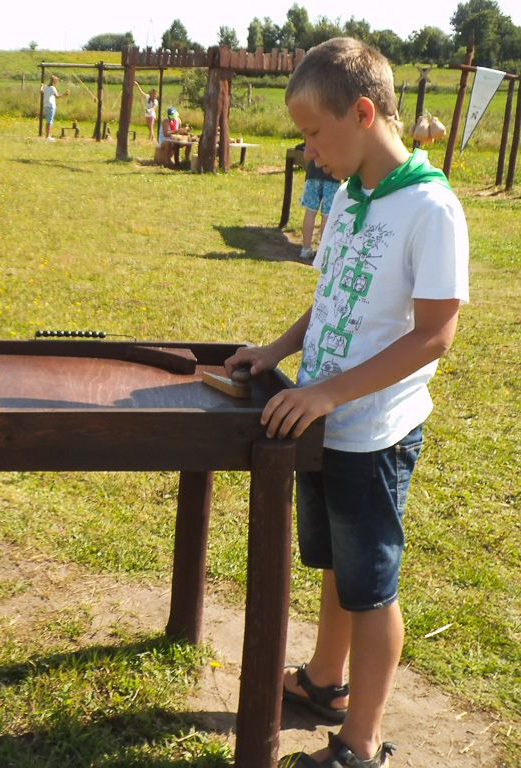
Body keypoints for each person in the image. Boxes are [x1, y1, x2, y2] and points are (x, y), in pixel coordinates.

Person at [224, 38, 468, 768]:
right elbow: (330, 296)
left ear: (363, 113)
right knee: (335, 568)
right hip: (322, 422)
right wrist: (277, 351)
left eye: (312, 134)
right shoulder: (350, 197)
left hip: (372, 435)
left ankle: (361, 743)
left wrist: (328, 390)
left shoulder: (431, 208)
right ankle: (325, 682)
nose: (308, 152)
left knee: (371, 589)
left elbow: (435, 335)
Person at [298, 142, 342, 261]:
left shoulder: (316, 134)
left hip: (313, 174)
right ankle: (322, 252)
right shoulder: (339, 136)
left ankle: (306, 248)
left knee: (310, 212)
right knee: (327, 215)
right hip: (333, 176)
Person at [41, 75, 69, 141]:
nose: (57, 82)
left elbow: (41, 91)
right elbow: (57, 97)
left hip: (46, 105)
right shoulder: (53, 88)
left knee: (48, 121)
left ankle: (47, 136)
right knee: (49, 121)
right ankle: (48, 137)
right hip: (51, 106)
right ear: (54, 81)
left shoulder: (46, 87)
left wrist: (41, 86)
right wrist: (65, 94)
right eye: (56, 81)